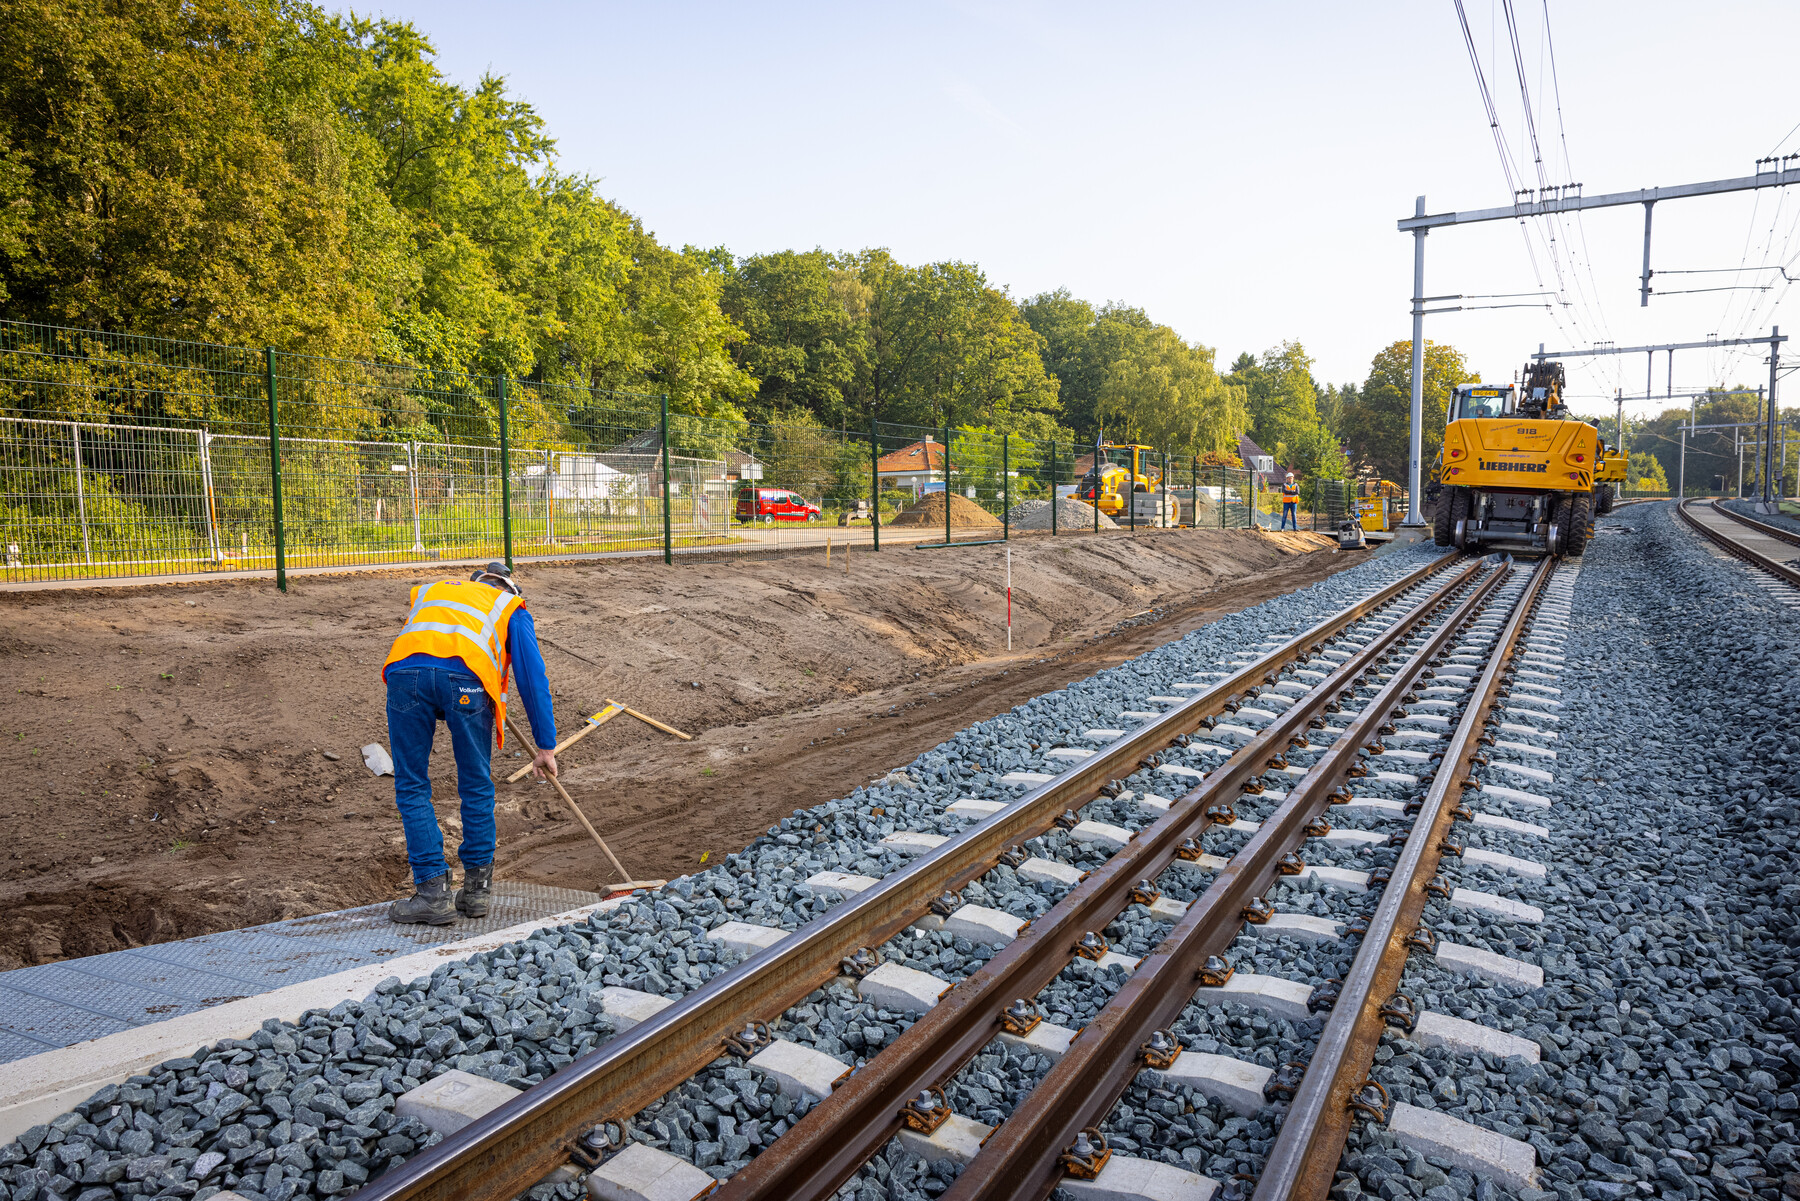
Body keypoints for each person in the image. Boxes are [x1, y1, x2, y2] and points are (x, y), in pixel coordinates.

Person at [380, 562, 557, 925]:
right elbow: (531, 677)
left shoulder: (434, 591)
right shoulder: (511, 607)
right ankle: (477, 892)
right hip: (467, 683)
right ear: (512, 589)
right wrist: (545, 747)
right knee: (476, 784)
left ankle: (432, 894)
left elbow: (432, 653)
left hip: (405, 675)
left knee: (412, 784)